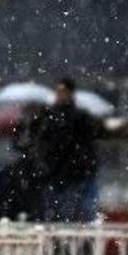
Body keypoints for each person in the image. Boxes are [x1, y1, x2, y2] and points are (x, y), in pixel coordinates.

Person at [32, 77, 102, 222]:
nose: (60, 95)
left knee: (66, 214)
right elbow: (41, 140)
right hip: (55, 172)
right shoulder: (50, 115)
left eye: (63, 92)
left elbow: (85, 142)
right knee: (53, 213)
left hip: (70, 173)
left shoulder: (77, 117)